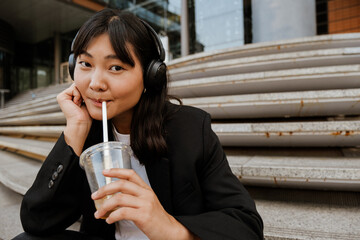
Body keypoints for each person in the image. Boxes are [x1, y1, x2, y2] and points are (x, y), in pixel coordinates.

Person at [15, 8, 263, 240]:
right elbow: (37, 220)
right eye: (85, 64)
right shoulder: (88, 131)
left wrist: (167, 226)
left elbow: (247, 225)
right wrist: (75, 131)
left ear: (150, 76)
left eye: (115, 67)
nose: (95, 83)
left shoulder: (190, 129)